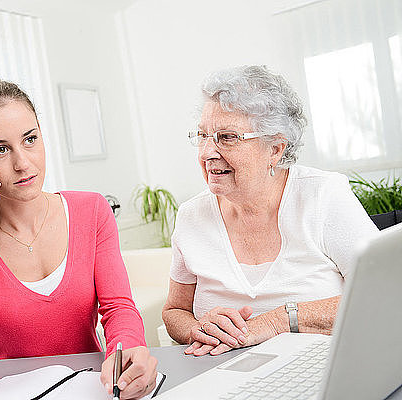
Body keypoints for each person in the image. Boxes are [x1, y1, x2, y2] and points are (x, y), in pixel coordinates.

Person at [0, 78, 157, 397]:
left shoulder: (91, 211)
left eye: (30, 139)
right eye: (0, 149)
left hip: (91, 390)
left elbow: (118, 308)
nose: (23, 163)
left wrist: (126, 352)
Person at [162, 65, 378, 357]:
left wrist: (279, 320)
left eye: (227, 137)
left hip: (325, 367)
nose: (206, 153)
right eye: (202, 135)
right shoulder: (191, 216)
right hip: (222, 372)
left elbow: (382, 295)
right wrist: (197, 328)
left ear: (275, 148)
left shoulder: (323, 195)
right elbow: (175, 310)